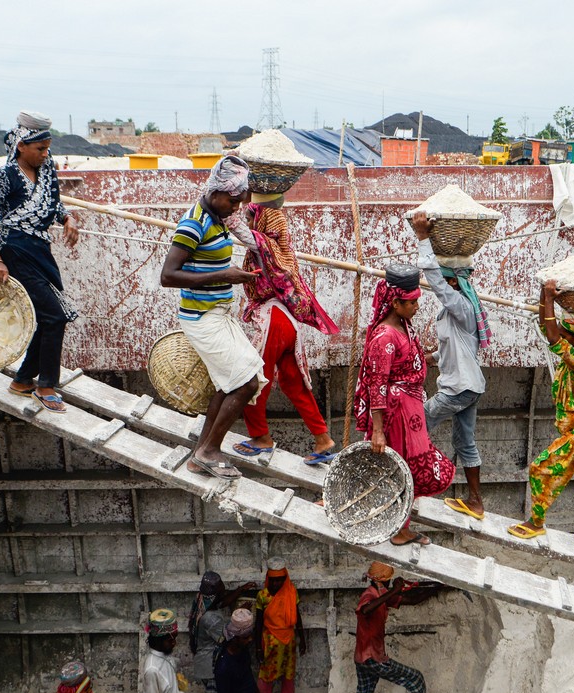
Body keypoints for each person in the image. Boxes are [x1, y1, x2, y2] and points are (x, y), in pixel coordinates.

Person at [161, 155, 265, 479]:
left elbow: (245, 235)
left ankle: (199, 455)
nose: (236, 207)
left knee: (227, 384)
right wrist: (224, 276)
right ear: (216, 192)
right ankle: (209, 450)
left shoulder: (220, 216)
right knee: (245, 383)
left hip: (218, 314)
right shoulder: (194, 223)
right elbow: (168, 276)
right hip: (201, 318)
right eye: (233, 201)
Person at [0, 110, 80, 413]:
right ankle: (46, 385)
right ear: (22, 146)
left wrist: (66, 217)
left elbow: (53, 202)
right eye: (40, 148)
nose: (45, 154)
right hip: (15, 249)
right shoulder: (4, 176)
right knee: (55, 316)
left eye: (47, 148)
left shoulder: (48, 168)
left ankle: (23, 380)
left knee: (46, 317)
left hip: (41, 250)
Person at [232, 190, 339, 466]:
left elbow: (239, 228)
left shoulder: (265, 245)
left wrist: (226, 201)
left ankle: (261, 438)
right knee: (293, 382)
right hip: (287, 321)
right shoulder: (282, 248)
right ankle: (323, 439)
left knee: (255, 380)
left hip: (274, 322)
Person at [353, 264, 455, 547]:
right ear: (395, 303)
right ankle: (399, 530)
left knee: (408, 466)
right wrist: (377, 430)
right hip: (396, 415)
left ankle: (401, 524)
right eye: (412, 303)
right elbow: (377, 384)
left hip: (410, 411)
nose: (416, 308)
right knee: (401, 467)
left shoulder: (403, 327)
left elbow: (409, 361)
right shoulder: (384, 337)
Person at [508, 280, 574, 546]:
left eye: (570, 333)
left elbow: (553, 336)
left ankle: (536, 522)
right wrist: (546, 297)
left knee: (539, 468)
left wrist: (549, 298)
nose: (564, 334)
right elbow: (550, 328)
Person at [411, 211, 490, 520]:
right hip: (469, 387)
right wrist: (431, 358)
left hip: (458, 390)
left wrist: (423, 240)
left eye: (445, 281)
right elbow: (456, 350)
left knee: (416, 427)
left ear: (453, 281)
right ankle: (475, 502)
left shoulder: (459, 304)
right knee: (464, 442)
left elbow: (433, 278)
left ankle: (413, 486)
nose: (439, 286)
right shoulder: (454, 313)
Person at [350, 562, 448, 693]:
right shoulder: (369, 595)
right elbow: (365, 610)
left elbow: (413, 599)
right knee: (416, 678)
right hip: (373, 658)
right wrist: (393, 591)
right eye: (389, 580)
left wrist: (436, 586)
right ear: (382, 581)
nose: (391, 583)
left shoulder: (381, 595)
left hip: (362, 659)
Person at [189, 572, 258, 693]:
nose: (224, 592)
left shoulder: (203, 600)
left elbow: (222, 602)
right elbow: (228, 635)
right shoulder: (210, 619)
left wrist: (241, 589)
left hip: (206, 657)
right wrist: (239, 617)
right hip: (209, 664)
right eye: (222, 591)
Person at [254, 558, 305, 693]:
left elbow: (298, 616)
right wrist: (257, 647)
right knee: (266, 675)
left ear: (284, 579)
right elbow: (258, 623)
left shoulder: (291, 592)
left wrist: (302, 639)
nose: (276, 584)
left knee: (288, 673)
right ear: (269, 579)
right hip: (270, 641)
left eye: (279, 580)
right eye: (273, 580)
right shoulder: (262, 596)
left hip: (288, 640)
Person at [213, 609, 263, 693]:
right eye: (246, 637)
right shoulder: (223, 666)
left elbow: (248, 673)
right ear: (234, 638)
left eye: (251, 635)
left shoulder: (243, 650)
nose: (250, 640)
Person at [143, 608, 188, 693]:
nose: (174, 643)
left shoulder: (165, 654)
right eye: (170, 640)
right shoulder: (152, 670)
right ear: (158, 640)